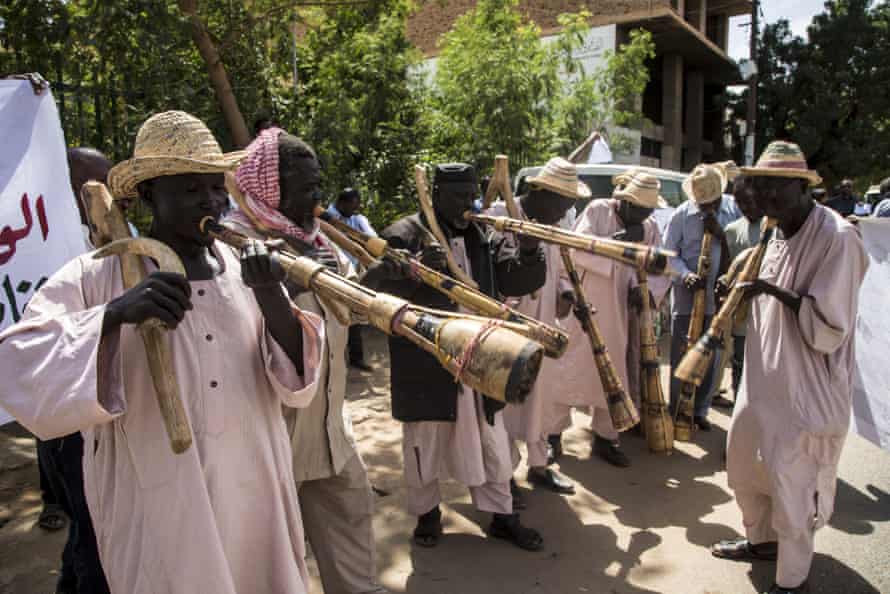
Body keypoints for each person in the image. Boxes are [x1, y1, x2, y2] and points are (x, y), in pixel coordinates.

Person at [0, 111, 326, 594]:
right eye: (191, 189)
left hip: (255, 489)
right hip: (158, 499)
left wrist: (270, 294)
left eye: (215, 187)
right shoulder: (99, 274)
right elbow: (16, 362)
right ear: (150, 194)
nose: (210, 201)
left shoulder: (244, 268)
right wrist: (114, 315)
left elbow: (297, 381)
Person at [224, 128, 389, 594]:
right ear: (271, 190)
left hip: (330, 425)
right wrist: (282, 286)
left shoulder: (321, 241)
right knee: (269, 559)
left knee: (351, 522)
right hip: (269, 434)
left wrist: (381, 285)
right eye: (305, 187)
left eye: (319, 186)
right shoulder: (233, 243)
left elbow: (353, 311)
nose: (317, 198)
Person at [711, 141, 868, 594]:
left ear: (803, 187)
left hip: (808, 389)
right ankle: (761, 541)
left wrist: (768, 290)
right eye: (761, 188)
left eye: (775, 188)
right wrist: (737, 290)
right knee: (745, 464)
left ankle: (793, 579)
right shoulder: (774, 230)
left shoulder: (838, 238)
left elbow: (829, 327)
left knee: (795, 480)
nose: (765, 198)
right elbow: (761, 301)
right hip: (763, 379)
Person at [379, 162, 546, 551]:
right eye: (458, 197)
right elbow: (379, 298)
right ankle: (427, 515)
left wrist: (529, 250)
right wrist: (415, 272)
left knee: (491, 440)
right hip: (426, 361)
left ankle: (503, 517)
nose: (468, 204)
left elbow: (515, 279)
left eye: (472, 196)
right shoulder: (402, 235)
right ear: (435, 195)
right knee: (425, 443)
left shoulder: (483, 234)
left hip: (482, 359)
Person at [33, 148, 114, 594]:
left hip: (106, 411)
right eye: (91, 187)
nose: (105, 196)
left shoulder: (112, 239)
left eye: (109, 184)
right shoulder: (47, 251)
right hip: (69, 415)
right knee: (91, 527)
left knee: (97, 527)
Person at [552, 171, 671, 467]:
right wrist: (620, 240)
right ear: (625, 202)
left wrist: (647, 293)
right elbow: (576, 249)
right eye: (639, 210)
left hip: (620, 311)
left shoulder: (649, 226)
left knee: (614, 372)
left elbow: (660, 267)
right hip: (587, 303)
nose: (643, 216)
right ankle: (552, 436)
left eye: (648, 211)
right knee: (570, 370)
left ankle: (606, 438)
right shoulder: (598, 210)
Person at [486, 157, 584, 495]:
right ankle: (504, 475)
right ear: (540, 193)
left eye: (568, 208)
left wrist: (565, 293)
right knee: (504, 401)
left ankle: (539, 466)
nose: (563, 214)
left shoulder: (554, 224)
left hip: (542, 325)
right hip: (504, 325)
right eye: (561, 205)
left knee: (540, 397)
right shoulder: (499, 214)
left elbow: (560, 271)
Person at [664, 164, 740, 430]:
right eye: (702, 204)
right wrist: (685, 275)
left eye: (712, 203)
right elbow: (668, 254)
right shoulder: (681, 215)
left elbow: (741, 249)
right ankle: (677, 408)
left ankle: (700, 410)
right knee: (682, 353)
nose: (707, 207)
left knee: (711, 357)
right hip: (687, 298)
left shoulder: (733, 210)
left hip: (717, 300)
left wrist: (721, 234)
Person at [717, 175, 764, 405]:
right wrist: (723, 282)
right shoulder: (732, 230)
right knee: (739, 363)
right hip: (741, 313)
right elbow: (727, 268)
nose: (746, 207)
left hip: (766, 313)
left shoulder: (774, 229)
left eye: (750, 201)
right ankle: (739, 406)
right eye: (741, 203)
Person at [326, 187, 378, 371]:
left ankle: (356, 358)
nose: (355, 209)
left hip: (353, 271)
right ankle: (335, 359)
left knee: (355, 312)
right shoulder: (325, 218)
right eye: (353, 206)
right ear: (341, 203)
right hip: (332, 271)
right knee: (334, 314)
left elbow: (372, 238)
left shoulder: (357, 219)